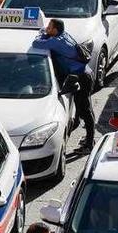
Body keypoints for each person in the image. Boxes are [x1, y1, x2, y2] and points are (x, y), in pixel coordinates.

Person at [32, 19, 95, 153]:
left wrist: (43, 35)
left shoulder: (56, 42)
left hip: (82, 77)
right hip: (84, 74)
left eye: (49, 27)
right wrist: (46, 34)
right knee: (84, 107)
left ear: (55, 30)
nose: (47, 29)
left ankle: (89, 145)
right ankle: (89, 138)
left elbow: (36, 43)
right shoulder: (64, 35)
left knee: (85, 110)